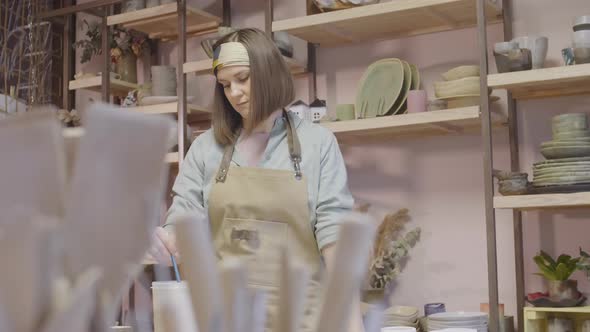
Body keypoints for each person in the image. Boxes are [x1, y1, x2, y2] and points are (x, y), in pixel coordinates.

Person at [146, 27, 363, 331]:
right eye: (225, 84)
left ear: (269, 72)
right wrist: (170, 238)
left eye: (243, 79)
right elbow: (184, 214)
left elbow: (336, 241)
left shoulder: (318, 145)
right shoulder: (206, 149)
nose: (234, 92)